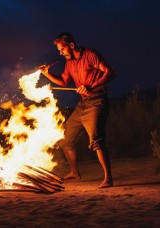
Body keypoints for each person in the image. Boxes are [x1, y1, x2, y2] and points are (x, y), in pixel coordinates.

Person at [39, 32, 116, 188]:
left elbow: (110, 73)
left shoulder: (90, 55)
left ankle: (108, 179)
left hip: (96, 102)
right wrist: (47, 74)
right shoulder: (70, 63)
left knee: (96, 140)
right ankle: (75, 173)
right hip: (83, 104)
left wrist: (90, 86)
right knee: (67, 140)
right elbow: (63, 81)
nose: (60, 53)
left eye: (62, 49)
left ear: (71, 45)